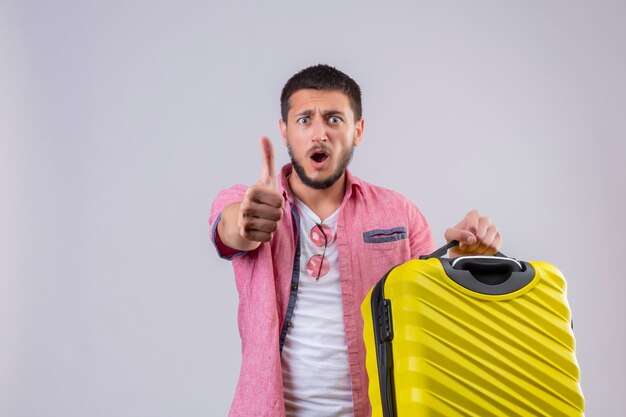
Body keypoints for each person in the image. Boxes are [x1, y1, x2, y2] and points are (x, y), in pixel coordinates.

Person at [209, 64, 501, 417]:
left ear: (358, 130)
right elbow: (231, 229)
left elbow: (437, 313)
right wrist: (246, 223)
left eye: (334, 119)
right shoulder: (244, 201)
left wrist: (465, 262)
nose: (319, 134)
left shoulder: (399, 212)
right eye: (304, 120)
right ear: (284, 132)